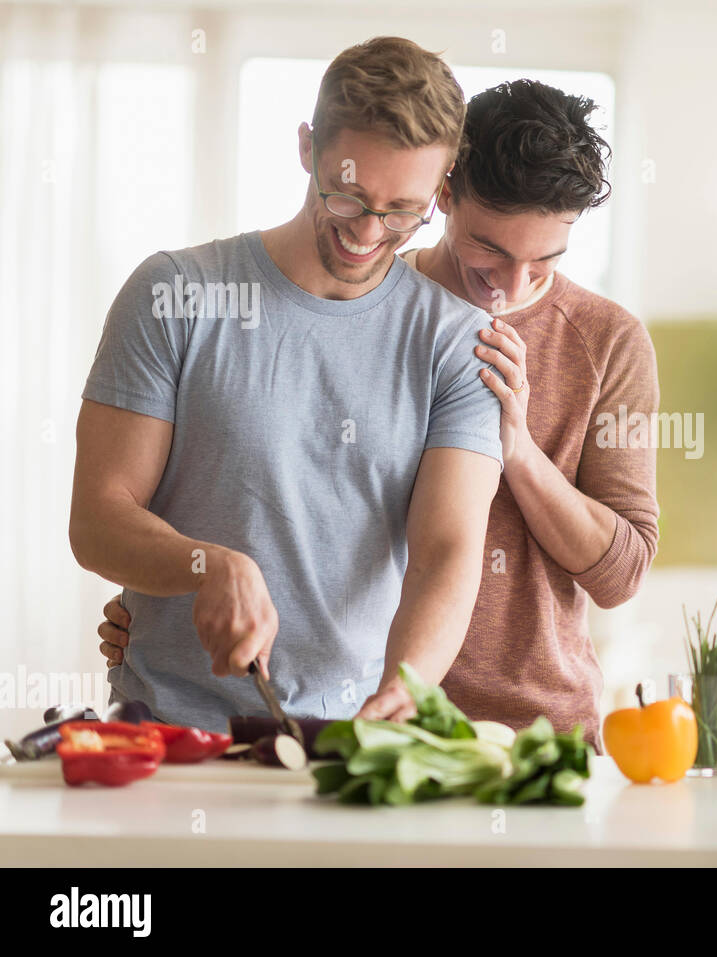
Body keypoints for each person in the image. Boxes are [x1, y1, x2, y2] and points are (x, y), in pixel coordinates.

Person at [98, 76, 661, 748]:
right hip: (357, 718)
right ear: (445, 193)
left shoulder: (607, 340)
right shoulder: (361, 295)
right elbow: (275, 503)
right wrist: (168, 602)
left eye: (544, 261)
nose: (511, 287)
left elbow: (621, 572)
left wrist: (518, 450)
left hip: (523, 724)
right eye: (491, 249)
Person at [73, 37, 503, 730]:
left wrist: (406, 687)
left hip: (350, 738)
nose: (367, 230)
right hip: (166, 732)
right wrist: (206, 563)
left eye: (402, 210)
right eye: (347, 193)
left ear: (442, 192)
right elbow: (97, 521)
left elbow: (446, 551)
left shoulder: (456, 343)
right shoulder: (176, 293)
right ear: (308, 147)